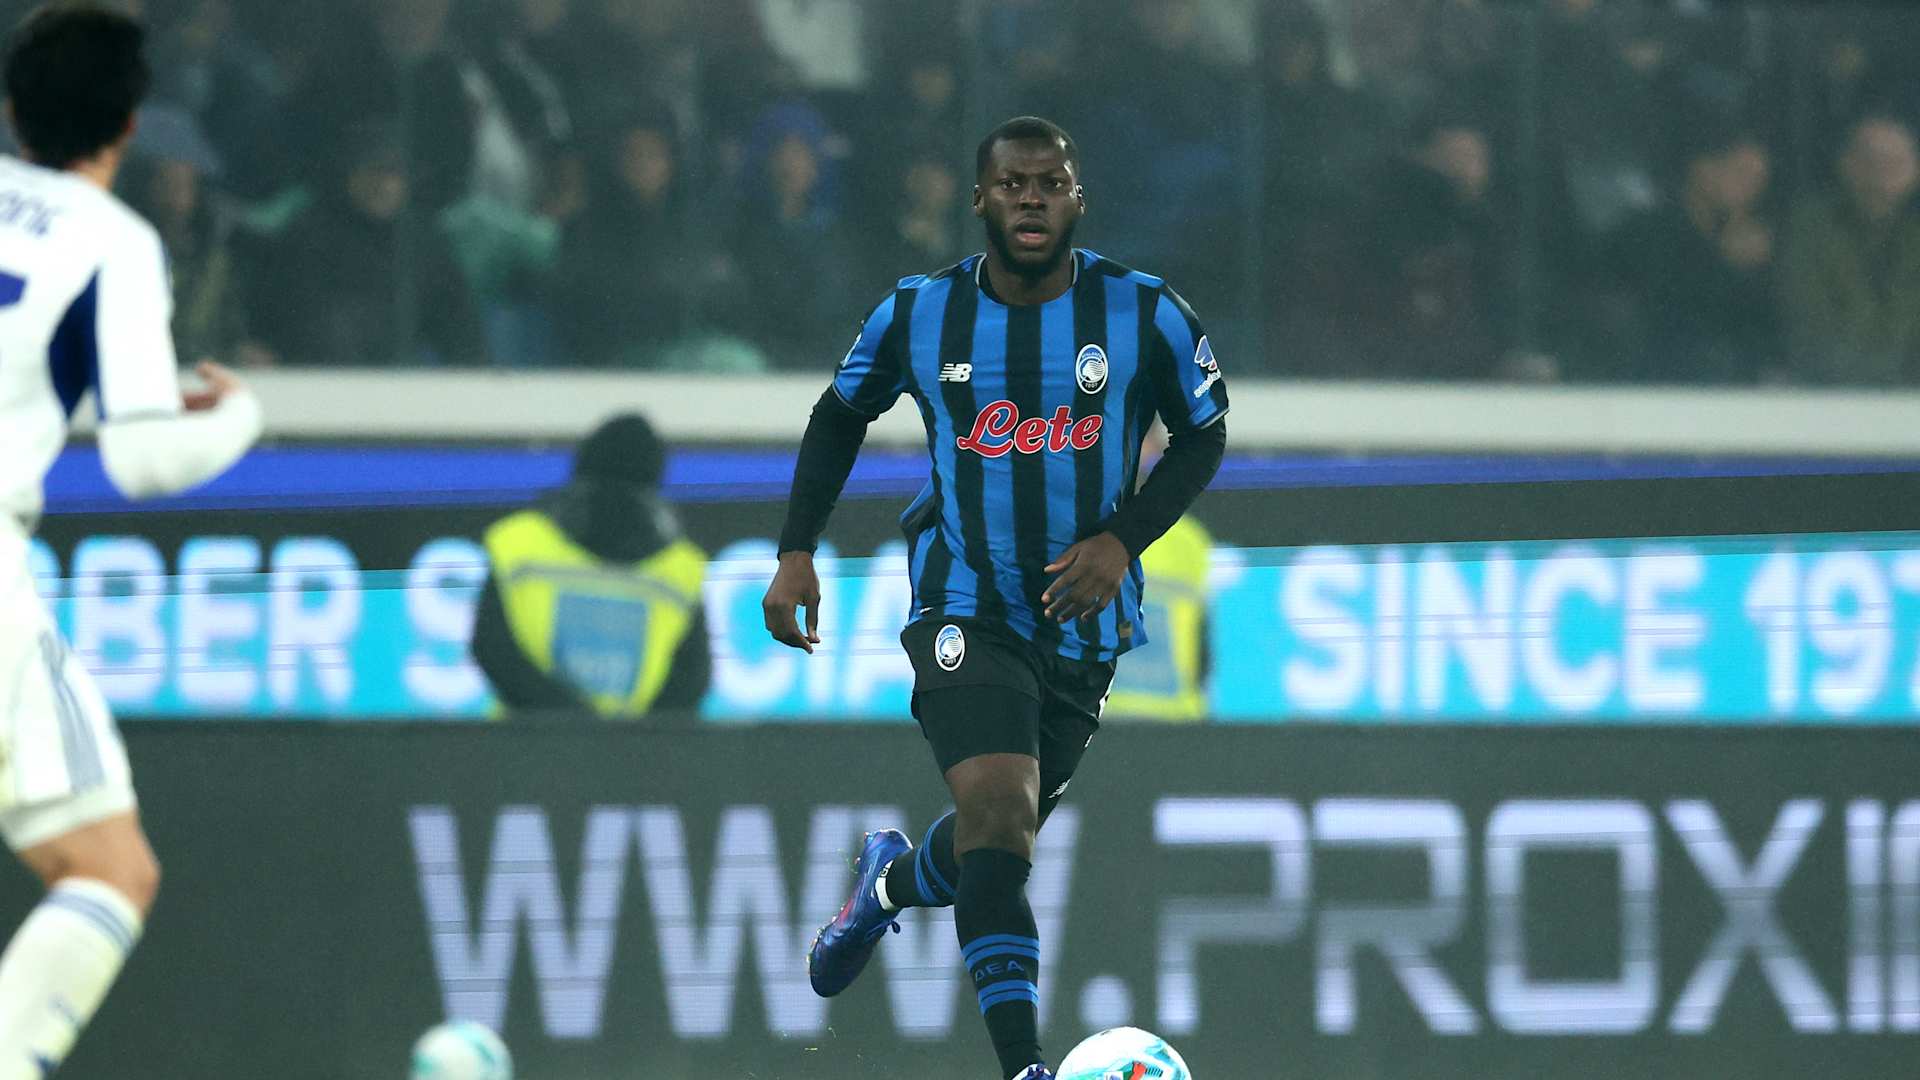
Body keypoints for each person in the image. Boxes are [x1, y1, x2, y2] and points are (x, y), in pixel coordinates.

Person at [763, 117, 1228, 1080]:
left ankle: (886, 887)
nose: (1031, 198)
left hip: (1082, 620)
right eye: (1013, 183)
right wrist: (796, 550)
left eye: (1050, 182)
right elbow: (839, 414)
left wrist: (1122, 539)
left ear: (1077, 198)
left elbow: (1204, 434)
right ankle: (1026, 1068)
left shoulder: (1143, 312)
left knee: (993, 843)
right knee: (999, 813)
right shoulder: (919, 313)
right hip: (963, 599)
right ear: (979, 199)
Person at [0, 7, 263, 1075]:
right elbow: (143, 459)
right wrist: (240, 415)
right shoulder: (111, 241)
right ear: (129, 124)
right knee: (107, 867)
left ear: (12, 110)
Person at [469, 413, 711, 721]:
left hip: (522, 744)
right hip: (630, 750)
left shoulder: (518, 543)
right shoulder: (680, 568)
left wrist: (567, 721)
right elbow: (690, 681)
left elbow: (494, 650)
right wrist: (630, 738)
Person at [1779, 113, 1920, 385]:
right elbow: (1809, 328)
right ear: (1845, 163)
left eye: (1895, 162)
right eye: (1870, 160)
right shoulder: (1808, 229)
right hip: (1828, 396)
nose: (1881, 173)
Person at [1102, 424, 1213, 721]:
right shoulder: (1070, 528)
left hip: (1175, 728)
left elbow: (1204, 650)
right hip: (1098, 724)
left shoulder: (1192, 541)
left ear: (1154, 445)